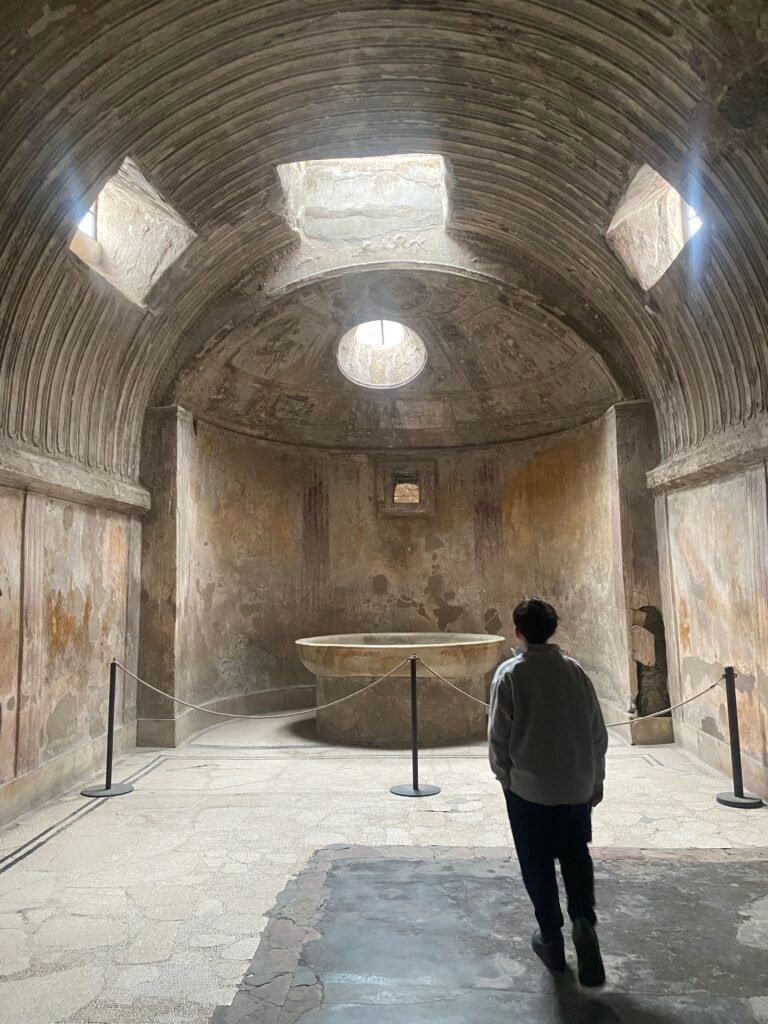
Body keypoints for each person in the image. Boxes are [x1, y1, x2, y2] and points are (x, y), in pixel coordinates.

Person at [488, 597, 608, 987]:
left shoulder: (510, 674)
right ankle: (583, 923)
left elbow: (499, 737)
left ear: (517, 631)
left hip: (529, 788)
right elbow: (596, 733)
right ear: (553, 629)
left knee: (536, 863)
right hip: (575, 784)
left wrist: (505, 777)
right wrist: (595, 780)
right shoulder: (575, 672)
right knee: (576, 856)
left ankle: (552, 940)